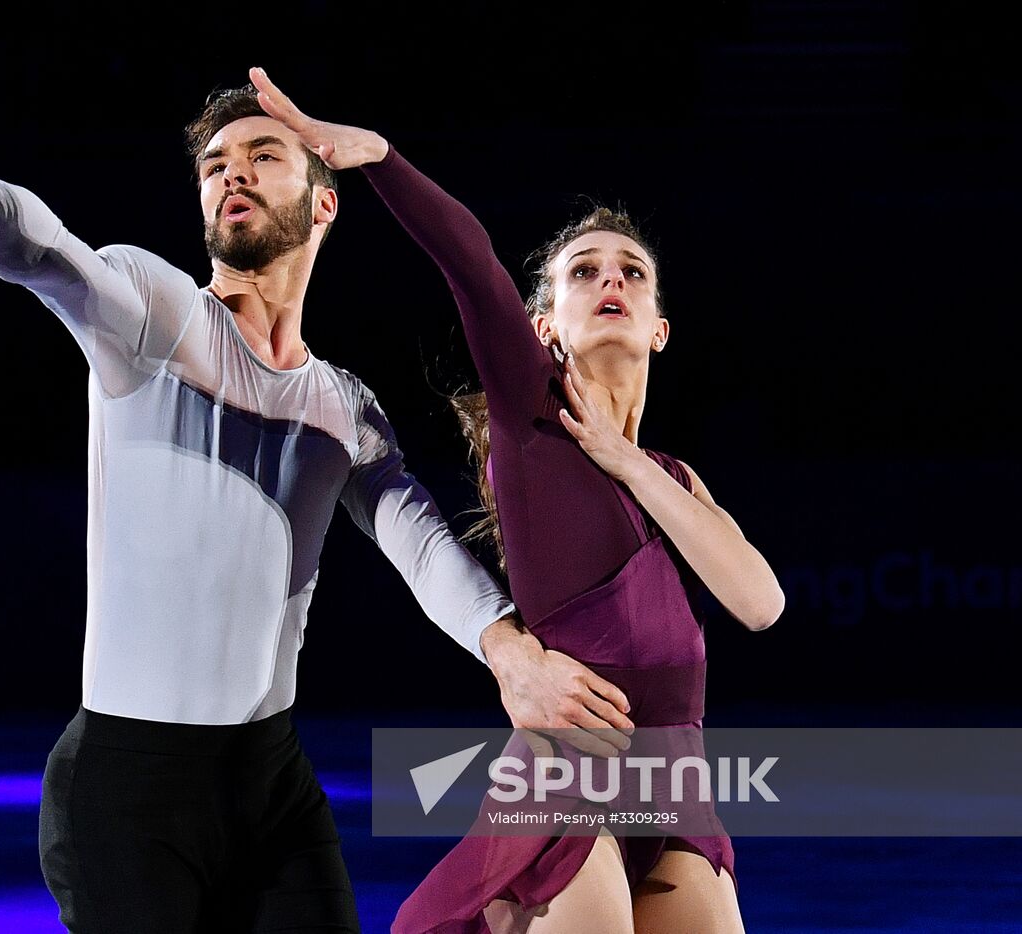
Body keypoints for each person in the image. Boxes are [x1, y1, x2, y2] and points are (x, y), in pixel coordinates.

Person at [0, 23, 642, 934]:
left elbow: (420, 540)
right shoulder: (154, 320)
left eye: (263, 155)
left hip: (269, 787)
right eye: (214, 164)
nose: (231, 173)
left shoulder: (345, 410)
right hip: (125, 793)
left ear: (323, 205)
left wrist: (513, 656)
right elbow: (39, 249)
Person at [247, 70, 783, 933]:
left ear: (659, 327)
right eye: (582, 272)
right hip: (565, 788)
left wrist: (630, 461)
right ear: (544, 328)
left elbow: (761, 604)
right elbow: (470, 261)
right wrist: (381, 156)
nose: (611, 278)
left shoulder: (675, 480)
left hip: (675, 796)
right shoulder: (531, 425)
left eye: (632, 273)